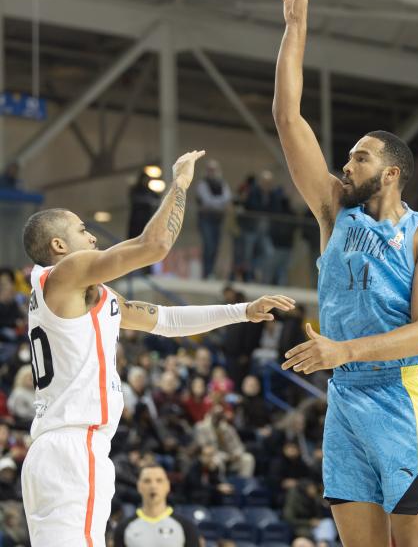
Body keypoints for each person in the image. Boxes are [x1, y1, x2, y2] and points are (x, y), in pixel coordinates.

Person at [19, 149, 296, 547]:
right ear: (59, 245)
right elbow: (156, 245)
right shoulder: (64, 275)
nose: (93, 236)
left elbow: (166, 321)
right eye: (83, 230)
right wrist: (180, 183)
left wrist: (243, 310)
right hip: (73, 447)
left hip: (57, 449)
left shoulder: (85, 295)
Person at [273, 0, 418, 547]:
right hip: (347, 395)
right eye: (348, 157)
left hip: (405, 391)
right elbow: (287, 115)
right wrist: (296, 22)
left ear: (392, 171)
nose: (347, 165)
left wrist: (339, 349)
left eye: (360, 157)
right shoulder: (334, 213)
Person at [113, 464, 199, 547]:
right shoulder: (123, 528)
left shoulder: (186, 527)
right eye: (147, 481)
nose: (153, 486)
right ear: (139, 486)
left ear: (168, 486)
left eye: (159, 480)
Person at [196, 159, 232, 278]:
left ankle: (210, 272)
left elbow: (227, 198)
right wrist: (220, 204)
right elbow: (207, 200)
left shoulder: (223, 184)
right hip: (206, 220)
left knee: (215, 247)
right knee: (208, 245)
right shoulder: (202, 184)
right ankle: (206, 273)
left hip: (218, 220)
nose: (212, 172)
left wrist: (215, 204)